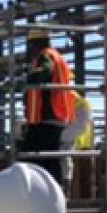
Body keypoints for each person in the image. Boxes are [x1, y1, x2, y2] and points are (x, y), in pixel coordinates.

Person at [20, 28, 77, 189]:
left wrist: (25, 81)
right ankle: (54, 192)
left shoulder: (45, 55)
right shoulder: (58, 57)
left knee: (30, 157)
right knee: (50, 159)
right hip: (56, 117)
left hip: (46, 118)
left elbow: (45, 71)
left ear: (35, 44)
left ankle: (37, 192)